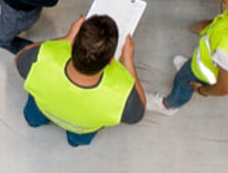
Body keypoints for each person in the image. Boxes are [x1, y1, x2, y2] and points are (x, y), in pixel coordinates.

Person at [15, 15, 146, 146]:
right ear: (111, 61)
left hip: (42, 107)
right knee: (78, 137)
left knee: (33, 116)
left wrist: (65, 38)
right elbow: (138, 113)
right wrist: (128, 62)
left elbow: (19, 58)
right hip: (82, 127)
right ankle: (74, 141)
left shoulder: (42, 57)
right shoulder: (122, 95)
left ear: (72, 44)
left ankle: (34, 121)